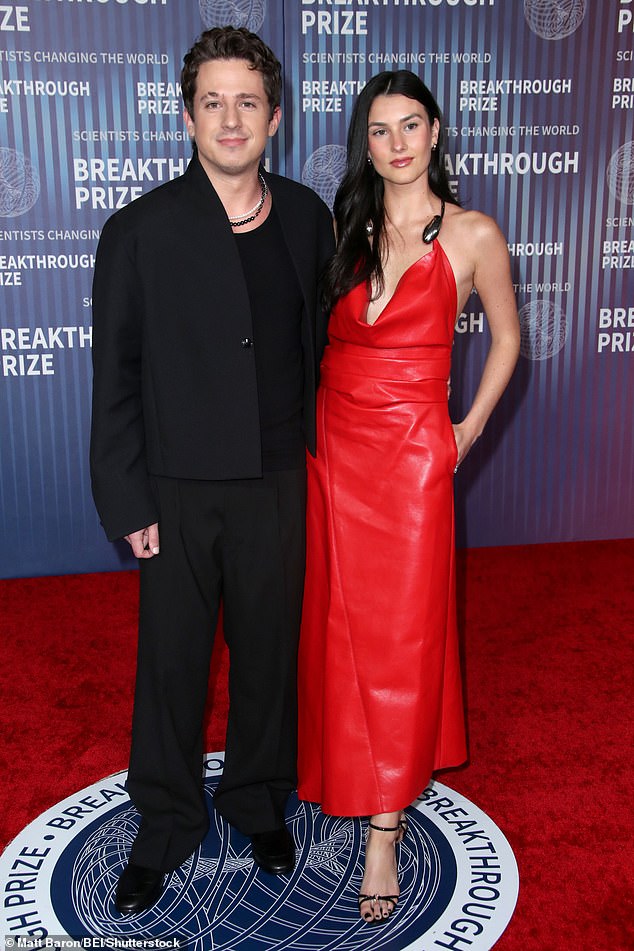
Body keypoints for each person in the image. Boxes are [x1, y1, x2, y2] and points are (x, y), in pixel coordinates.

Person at [90, 26, 334, 916]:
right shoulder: (140, 230)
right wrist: (128, 496)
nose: (231, 119)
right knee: (172, 665)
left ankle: (259, 798)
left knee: (270, 656)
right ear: (187, 114)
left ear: (275, 113)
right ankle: (163, 824)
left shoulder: (309, 217)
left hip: (278, 478)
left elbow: (329, 347)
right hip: (178, 491)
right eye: (213, 102)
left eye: (248, 101)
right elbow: (114, 376)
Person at [297, 70, 520, 925]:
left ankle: (383, 829)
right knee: (338, 624)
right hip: (335, 448)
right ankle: (347, 772)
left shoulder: (471, 234)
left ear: (435, 133)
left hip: (413, 457)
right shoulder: (342, 229)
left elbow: (506, 339)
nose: (396, 143)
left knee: (399, 634)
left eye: (410, 126)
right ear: (367, 141)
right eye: (380, 130)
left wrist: (465, 431)